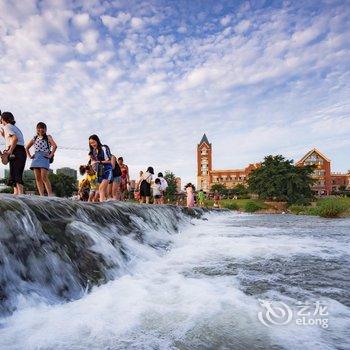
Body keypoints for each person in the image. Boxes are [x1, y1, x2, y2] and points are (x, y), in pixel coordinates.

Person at [26, 122, 57, 196]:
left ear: (45, 129)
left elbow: (55, 146)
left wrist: (50, 155)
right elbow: (26, 147)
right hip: (36, 157)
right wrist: (30, 156)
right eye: (39, 128)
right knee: (37, 178)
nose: (41, 129)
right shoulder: (35, 137)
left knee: (44, 177)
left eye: (43, 128)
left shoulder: (48, 137)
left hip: (44, 157)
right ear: (36, 129)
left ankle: (50, 195)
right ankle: (41, 195)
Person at [0, 112, 27, 195]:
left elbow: (14, 139)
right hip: (20, 151)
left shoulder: (7, 127)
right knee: (15, 174)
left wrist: (10, 151)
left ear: (3, 119)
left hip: (16, 150)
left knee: (16, 174)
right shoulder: (13, 127)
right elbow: (11, 138)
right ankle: (16, 194)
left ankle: (20, 195)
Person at [88, 134, 112, 202]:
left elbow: (110, 160)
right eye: (90, 143)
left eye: (93, 142)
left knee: (101, 188)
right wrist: (93, 162)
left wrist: (99, 161)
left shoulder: (104, 147)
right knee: (103, 191)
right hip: (100, 170)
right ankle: (106, 204)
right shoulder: (93, 152)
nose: (92, 144)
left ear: (97, 140)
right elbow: (94, 164)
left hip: (107, 169)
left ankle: (103, 205)